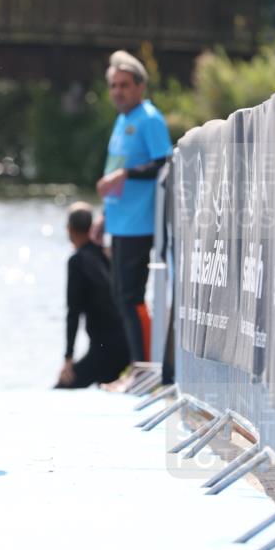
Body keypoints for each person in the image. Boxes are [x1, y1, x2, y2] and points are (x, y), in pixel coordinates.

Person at [93, 50, 172, 370]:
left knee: (131, 297)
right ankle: (136, 367)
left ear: (140, 86)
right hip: (120, 222)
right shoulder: (122, 119)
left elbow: (164, 163)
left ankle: (144, 370)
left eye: (124, 85)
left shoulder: (149, 118)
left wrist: (126, 175)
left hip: (141, 223)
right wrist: (104, 215)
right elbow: (116, 167)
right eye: (113, 86)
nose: (117, 92)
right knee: (121, 299)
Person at [55, 202, 130, 389]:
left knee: (62, 388)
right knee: (104, 387)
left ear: (69, 229)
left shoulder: (77, 261)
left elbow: (73, 312)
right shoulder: (106, 255)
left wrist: (68, 359)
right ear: (90, 228)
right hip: (127, 344)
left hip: (105, 349)